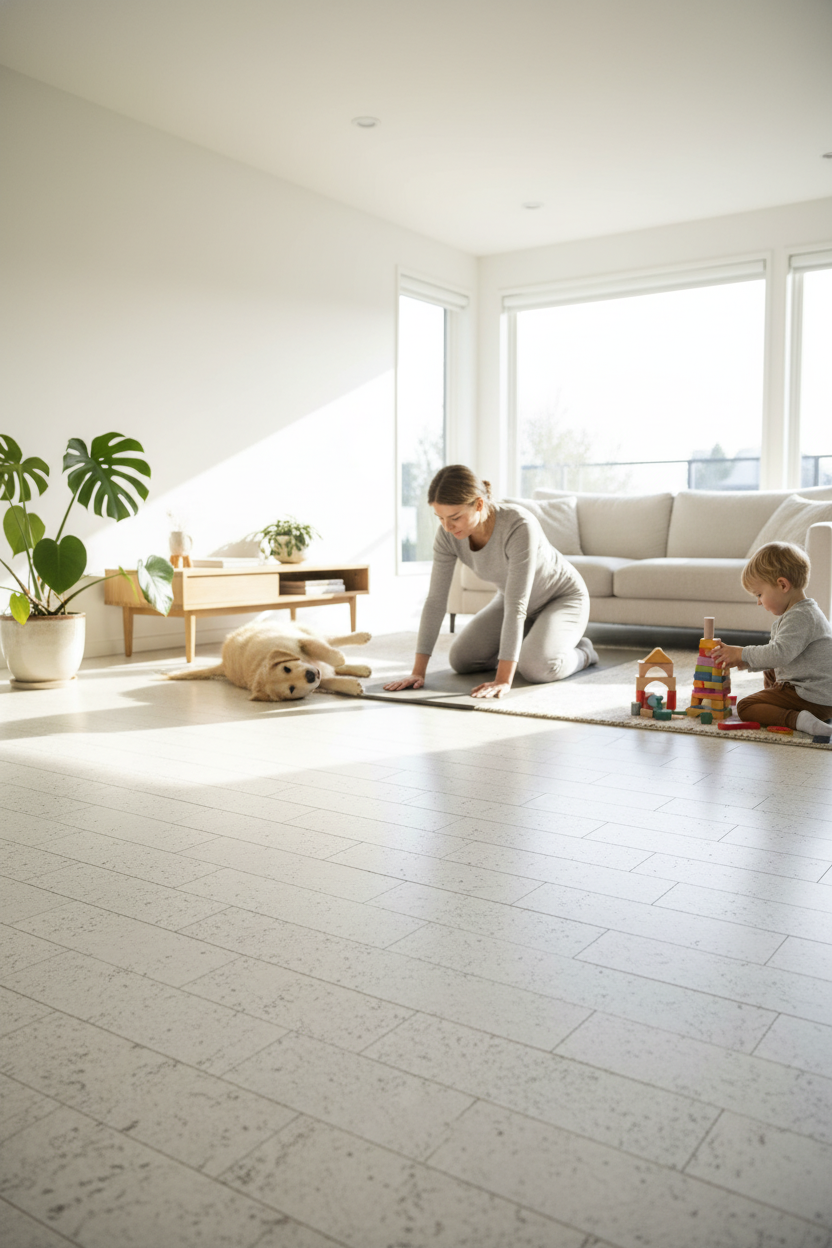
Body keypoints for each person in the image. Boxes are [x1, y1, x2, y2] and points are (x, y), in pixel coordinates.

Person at [384, 464, 597, 699]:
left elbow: (517, 605)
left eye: (455, 517)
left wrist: (503, 681)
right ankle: (533, 639)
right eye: (440, 518)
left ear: (478, 504)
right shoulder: (447, 536)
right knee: (461, 660)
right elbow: (435, 601)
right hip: (512, 601)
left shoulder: (519, 525)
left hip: (562, 599)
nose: (447, 527)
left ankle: (584, 652)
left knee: (535, 668)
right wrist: (418, 672)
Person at [711, 541, 832, 738]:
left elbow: (779, 654)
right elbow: (777, 657)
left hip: (813, 697)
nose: (758, 602)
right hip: (818, 692)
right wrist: (744, 660)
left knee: (746, 706)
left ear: (782, 585)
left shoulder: (800, 617)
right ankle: (776, 703)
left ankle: (799, 719)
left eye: (759, 594)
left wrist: (742, 653)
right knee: (769, 668)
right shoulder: (801, 612)